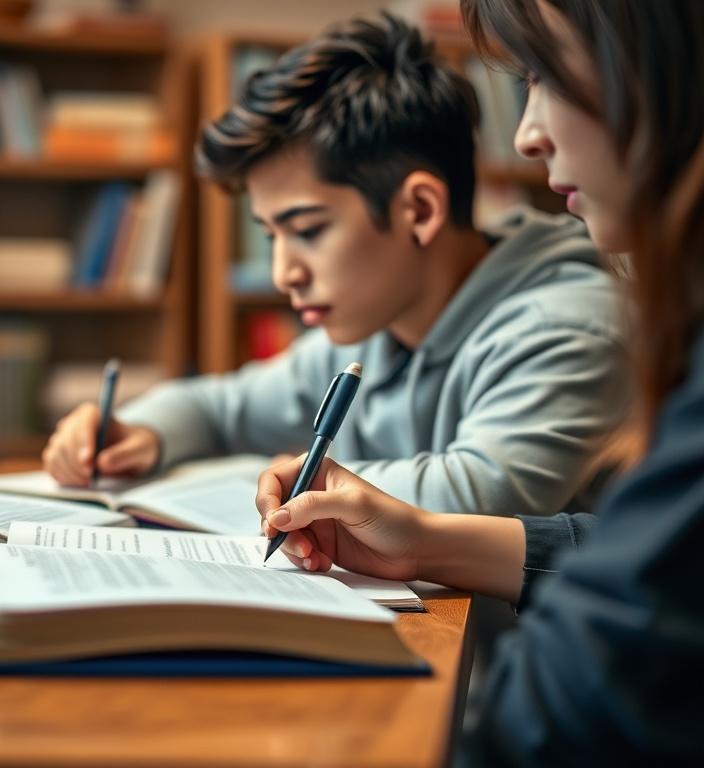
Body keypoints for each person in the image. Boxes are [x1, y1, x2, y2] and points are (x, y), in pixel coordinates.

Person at [257, 1, 704, 762]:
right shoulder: (378, 322)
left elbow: (571, 698)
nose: (527, 134)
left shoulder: (573, 318)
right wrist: (426, 545)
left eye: (543, 75)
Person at [43, 12, 629, 519]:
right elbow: (223, 406)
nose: (283, 274)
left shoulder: (569, 324)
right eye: (271, 235)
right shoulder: (373, 324)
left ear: (419, 210)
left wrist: (270, 485)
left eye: (308, 231)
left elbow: (481, 493)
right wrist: (141, 433)